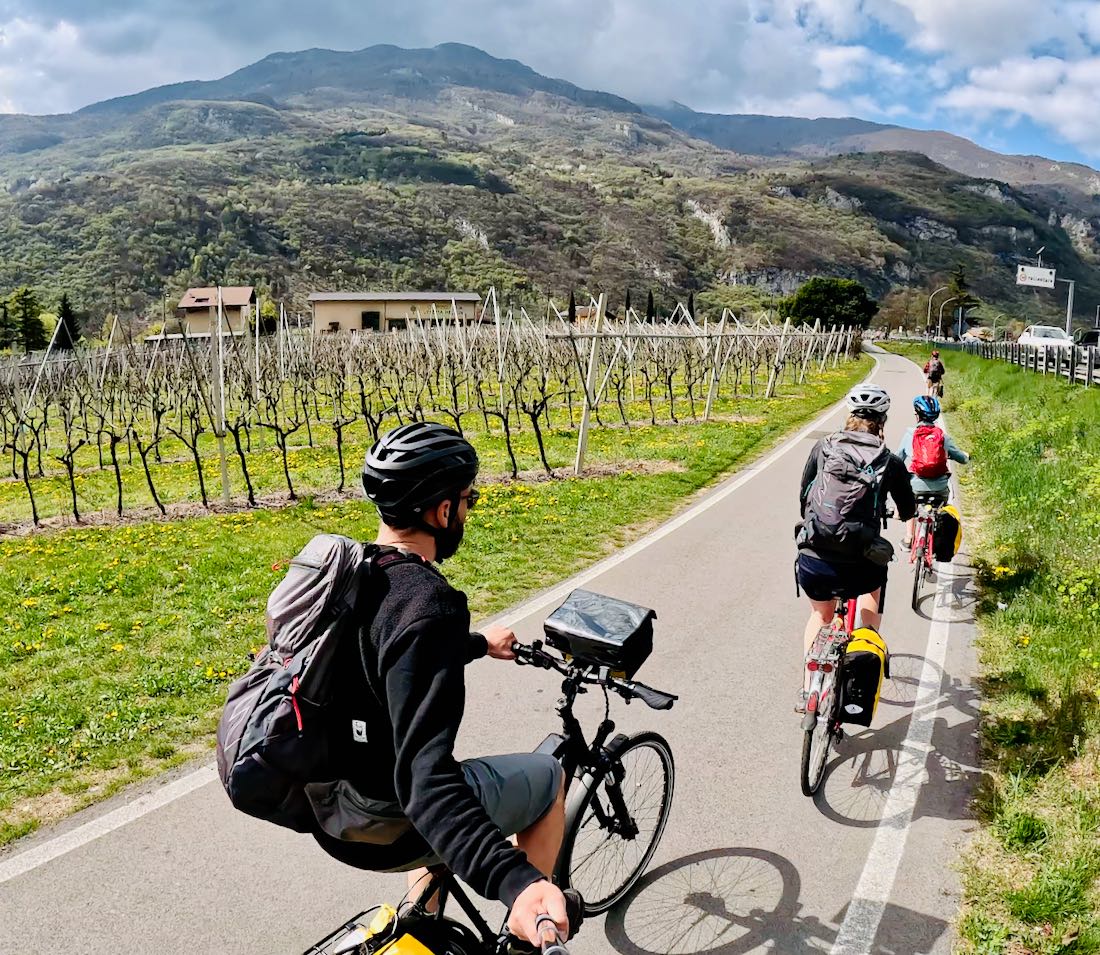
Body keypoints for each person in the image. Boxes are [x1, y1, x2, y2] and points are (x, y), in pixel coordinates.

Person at [313, 421, 580, 946]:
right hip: (387, 819)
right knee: (548, 776)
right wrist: (516, 882)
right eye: (468, 500)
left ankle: (422, 924)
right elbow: (425, 781)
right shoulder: (429, 605)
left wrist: (478, 644)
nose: (468, 510)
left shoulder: (352, 575)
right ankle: (524, 941)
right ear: (441, 512)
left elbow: (392, 651)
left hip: (327, 805)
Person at [794, 384, 916, 711]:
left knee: (820, 614)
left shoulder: (823, 447)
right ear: (883, 420)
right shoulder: (888, 461)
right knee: (872, 586)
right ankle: (865, 640)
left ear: (848, 416)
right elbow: (907, 508)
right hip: (859, 564)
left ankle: (810, 691)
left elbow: (805, 493)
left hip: (814, 557)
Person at [896, 396, 969, 547]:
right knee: (944, 506)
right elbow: (961, 458)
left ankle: (909, 537)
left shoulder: (910, 435)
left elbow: (898, 459)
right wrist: (967, 457)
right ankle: (938, 536)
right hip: (940, 488)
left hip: (916, 486)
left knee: (911, 504)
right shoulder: (943, 437)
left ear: (917, 415)